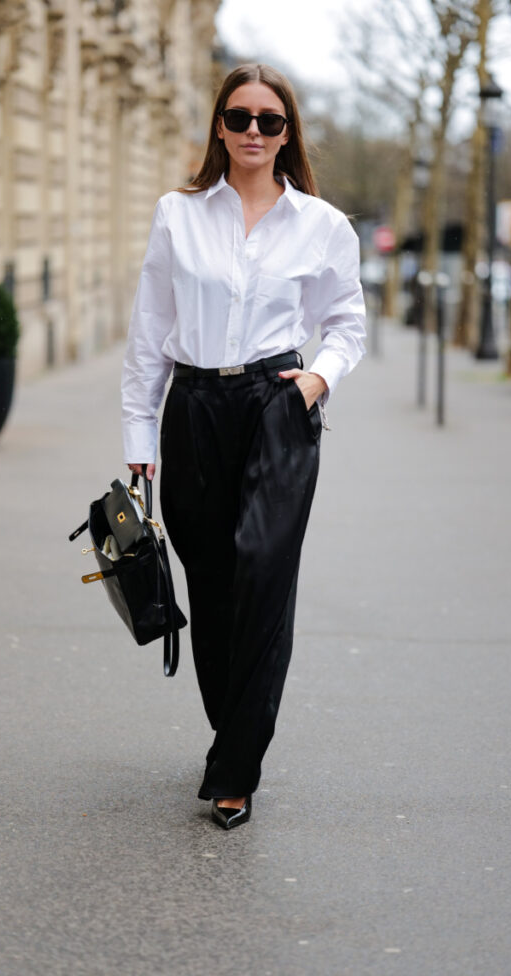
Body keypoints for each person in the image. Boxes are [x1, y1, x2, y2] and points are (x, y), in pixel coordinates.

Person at [121, 63, 366, 830]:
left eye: (269, 120)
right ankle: (231, 736)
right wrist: (138, 434)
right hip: (192, 408)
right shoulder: (177, 213)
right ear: (218, 127)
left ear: (287, 132)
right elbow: (148, 334)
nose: (253, 132)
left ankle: (235, 770)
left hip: (275, 407)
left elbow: (348, 324)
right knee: (215, 583)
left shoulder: (322, 225)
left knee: (263, 572)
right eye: (239, 117)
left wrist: (312, 385)